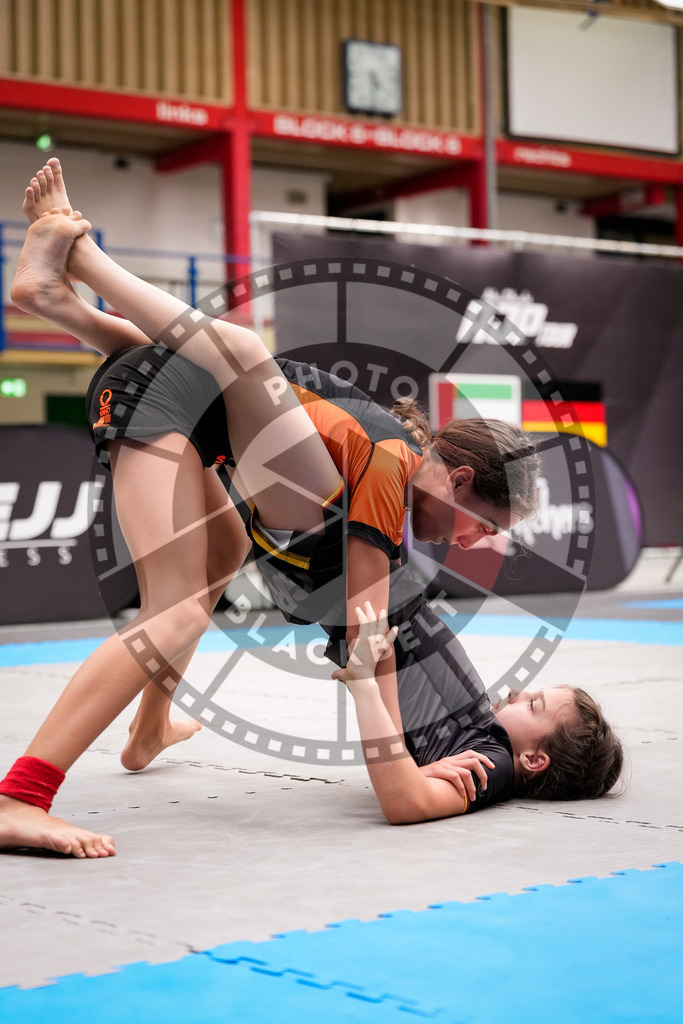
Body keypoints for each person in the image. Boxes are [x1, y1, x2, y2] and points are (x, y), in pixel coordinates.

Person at [0, 163, 622, 855]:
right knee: (174, 609)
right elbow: (367, 625)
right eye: (486, 523)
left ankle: (150, 723)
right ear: (460, 480)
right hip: (163, 396)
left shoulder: (363, 460)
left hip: (170, 395)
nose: (476, 543)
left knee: (224, 551)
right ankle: (19, 797)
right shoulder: (387, 467)